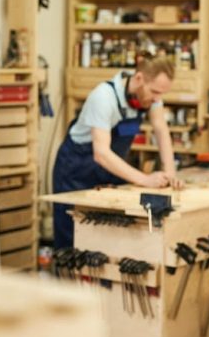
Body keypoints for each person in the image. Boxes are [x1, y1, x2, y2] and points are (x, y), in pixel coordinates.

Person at [53, 56, 180, 249]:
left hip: (107, 172)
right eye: (154, 92)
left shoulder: (150, 98)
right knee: (73, 241)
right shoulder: (104, 97)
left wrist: (170, 174)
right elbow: (101, 153)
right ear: (139, 78)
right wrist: (145, 179)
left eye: (161, 94)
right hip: (75, 170)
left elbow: (161, 129)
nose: (157, 99)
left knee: (108, 239)